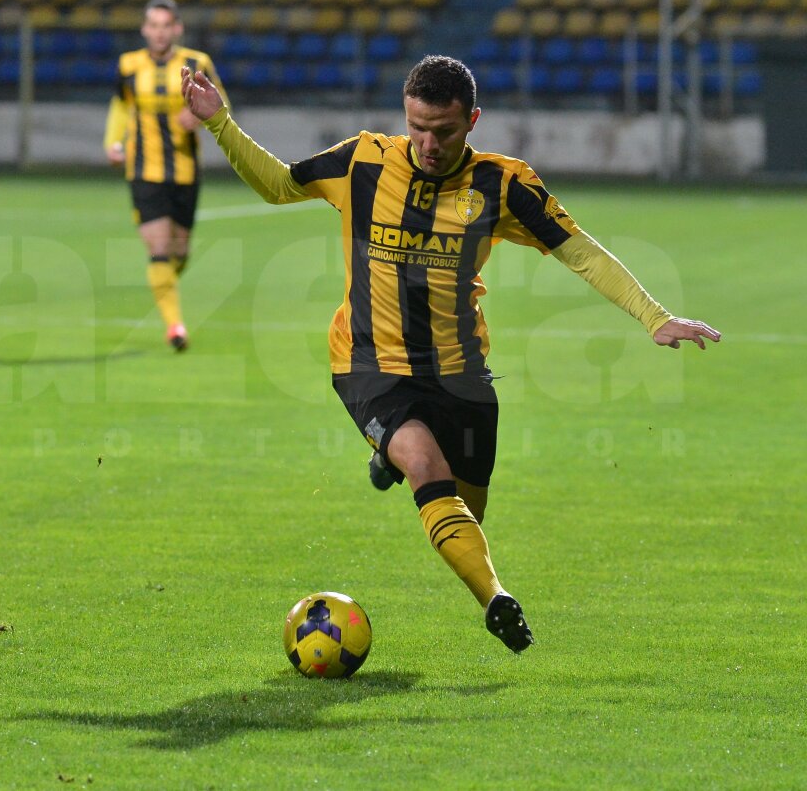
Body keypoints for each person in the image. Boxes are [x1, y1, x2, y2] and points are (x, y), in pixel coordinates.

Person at [181, 56, 720, 652]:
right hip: (369, 361)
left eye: (444, 130)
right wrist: (219, 123)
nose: (429, 144)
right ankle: (497, 599)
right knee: (425, 467)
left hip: (460, 373)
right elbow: (281, 185)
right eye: (417, 127)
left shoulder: (503, 185)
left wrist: (654, 317)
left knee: (466, 509)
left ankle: (388, 456)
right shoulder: (363, 161)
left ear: (472, 121)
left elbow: (581, 252)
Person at [104, 0, 230, 351]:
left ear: (177, 29)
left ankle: (162, 285)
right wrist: (113, 142)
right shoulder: (128, 65)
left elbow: (222, 104)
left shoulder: (197, 63)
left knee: (179, 253)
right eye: (153, 26)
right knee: (159, 248)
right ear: (145, 29)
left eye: (166, 26)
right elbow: (121, 105)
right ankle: (175, 327)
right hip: (143, 170)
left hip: (185, 171)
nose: (159, 32)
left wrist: (201, 116)